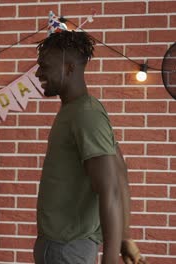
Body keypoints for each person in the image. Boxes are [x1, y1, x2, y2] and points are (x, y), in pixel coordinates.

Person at [33, 27, 146, 263]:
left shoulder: (87, 114)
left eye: (44, 66)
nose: (37, 73)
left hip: (69, 251)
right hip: (60, 248)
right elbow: (120, 172)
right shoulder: (75, 110)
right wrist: (125, 238)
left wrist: (111, 258)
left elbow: (112, 187)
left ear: (69, 68)